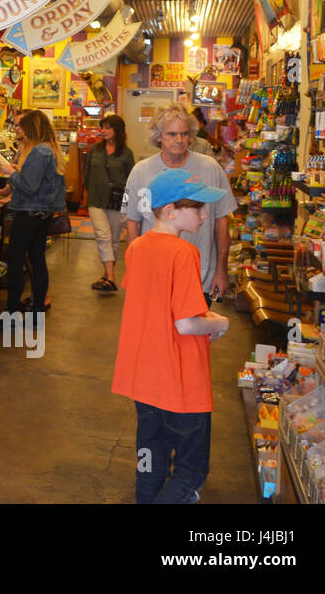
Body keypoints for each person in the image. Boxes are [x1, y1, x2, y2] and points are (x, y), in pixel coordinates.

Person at [112, 167, 230, 503]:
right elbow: (187, 323)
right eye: (199, 207)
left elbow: (154, 303)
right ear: (171, 211)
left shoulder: (136, 249)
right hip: (180, 384)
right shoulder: (184, 253)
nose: (206, 215)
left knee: (150, 464)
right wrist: (220, 323)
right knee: (190, 473)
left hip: (144, 381)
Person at [123, 103, 236, 297]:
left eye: (184, 134)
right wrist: (135, 268)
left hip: (201, 278)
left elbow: (222, 220)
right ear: (158, 136)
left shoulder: (210, 168)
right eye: (172, 134)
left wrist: (221, 270)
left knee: (195, 326)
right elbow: (133, 223)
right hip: (154, 277)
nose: (179, 140)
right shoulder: (140, 172)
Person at [0, 110, 66, 314]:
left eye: (20, 125)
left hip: (28, 213)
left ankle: (12, 308)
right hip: (42, 214)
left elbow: (29, 186)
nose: (17, 129)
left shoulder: (38, 152)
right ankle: (38, 304)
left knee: (16, 260)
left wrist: (12, 172)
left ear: (30, 128)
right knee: (37, 259)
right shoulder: (48, 149)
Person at [85, 113, 135, 293]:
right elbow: (87, 175)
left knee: (114, 239)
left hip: (117, 201)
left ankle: (106, 274)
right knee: (103, 236)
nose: (103, 131)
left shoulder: (127, 153)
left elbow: (131, 181)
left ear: (118, 130)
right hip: (96, 201)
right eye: (102, 127)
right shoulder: (95, 150)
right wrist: (85, 198)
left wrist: (128, 206)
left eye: (108, 127)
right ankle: (112, 277)